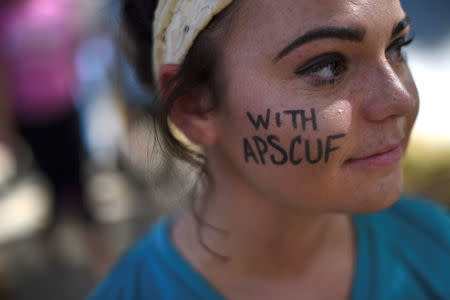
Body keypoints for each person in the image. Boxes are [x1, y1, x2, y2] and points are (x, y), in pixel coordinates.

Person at [88, 0, 450, 299]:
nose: (400, 99)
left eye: (396, 47)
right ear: (195, 106)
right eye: (328, 66)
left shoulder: (434, 247)